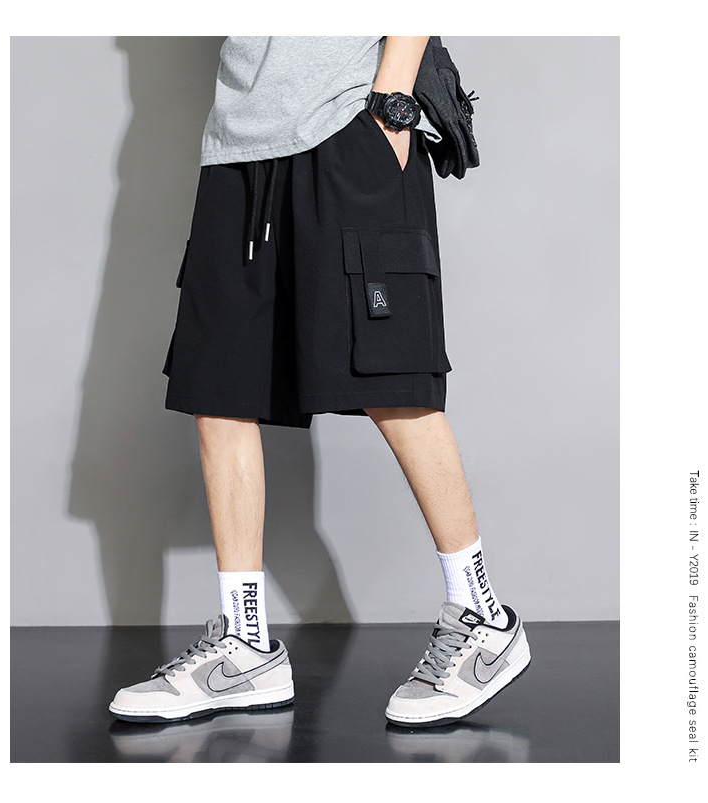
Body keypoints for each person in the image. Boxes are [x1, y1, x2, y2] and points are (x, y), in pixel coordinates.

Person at [109, 35, 531, 728]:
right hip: (236, 144)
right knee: (219, 392)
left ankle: (482, 617)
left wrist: (391, 106)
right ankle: (245, 646)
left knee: (393, 381)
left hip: (348, 123)